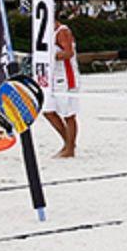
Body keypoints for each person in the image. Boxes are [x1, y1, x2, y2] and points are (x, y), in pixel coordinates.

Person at [42, 18, 79, 158]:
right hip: (51, 77)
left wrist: (51, 57)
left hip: (66, 77)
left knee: (69, 114)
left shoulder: (62, 31)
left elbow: (69, 53)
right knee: (47, 111)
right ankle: (68, 143)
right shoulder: (45, 33)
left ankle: (70, 148)